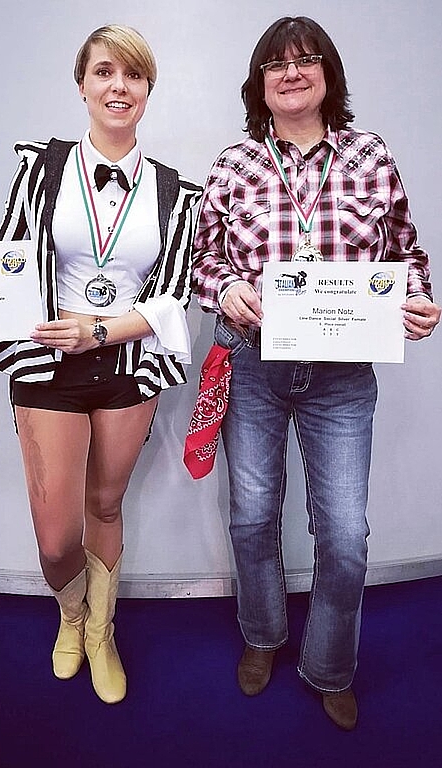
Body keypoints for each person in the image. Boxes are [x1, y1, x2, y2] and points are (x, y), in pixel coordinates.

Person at [0, 24, 201, 704]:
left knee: (106, 503)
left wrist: (101, 329)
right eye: (105, 72)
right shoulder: (41, 167)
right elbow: (2, 266)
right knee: (57, 538)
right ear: (81, 83)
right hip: (45, 364)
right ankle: (70, 611)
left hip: (126, 364)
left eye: (133, 75)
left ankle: (101, 632)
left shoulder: (177, 193)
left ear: (147, 90)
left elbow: (174, 296)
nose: (119, 86)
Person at [191, 15, 440, 730]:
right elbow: (201, 259)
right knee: (250, 516)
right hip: (252, 364)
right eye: (275, 64)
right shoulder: (233, 163)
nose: (290, 72)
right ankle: (262, 636)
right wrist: (224, 289)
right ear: (258, 84)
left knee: (342, 534)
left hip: (340, 375)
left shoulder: (369, 154)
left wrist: (417, 300)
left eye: (305, 60)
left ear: (328, 74)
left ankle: (329, 665)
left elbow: (404, 251)